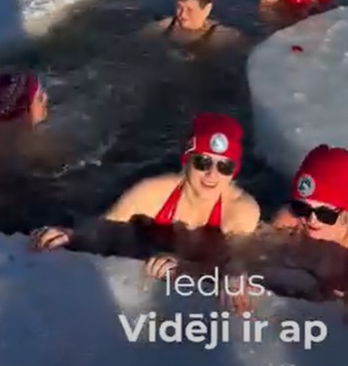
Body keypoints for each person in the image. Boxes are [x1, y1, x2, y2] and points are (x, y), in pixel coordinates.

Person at [31, 112, 260, 292]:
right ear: (186, 160)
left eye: (224, 166)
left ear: (234, 172)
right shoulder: (153, 192)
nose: (212, 174)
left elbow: (236, 265)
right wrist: (72, 235)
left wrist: (187, 269)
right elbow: (106, 226)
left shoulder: (241, 210)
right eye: (203, 162)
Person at [264, 144, 348, 324]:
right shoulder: (289, 221)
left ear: (345, 211)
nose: (311, 219)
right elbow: (250, 258)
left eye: (324, 214)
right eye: (302, 207)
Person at [145, 0, 244, 56]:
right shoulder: (164, 27)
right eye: (179, 7)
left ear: (207, 9)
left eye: (189, 10)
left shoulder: (224, 36)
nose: (183, 15)